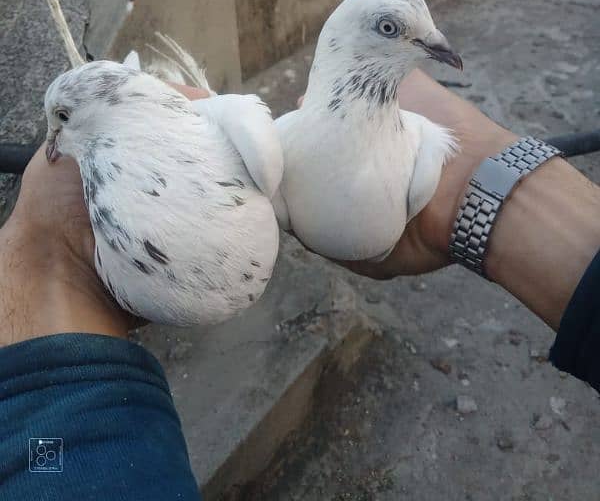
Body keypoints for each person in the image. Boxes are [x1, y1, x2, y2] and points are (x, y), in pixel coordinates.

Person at [1, 71, 599, 500]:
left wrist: (42, 265)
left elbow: (62, 474)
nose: (50, 142)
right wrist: (492, 185)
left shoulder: (239, 130)